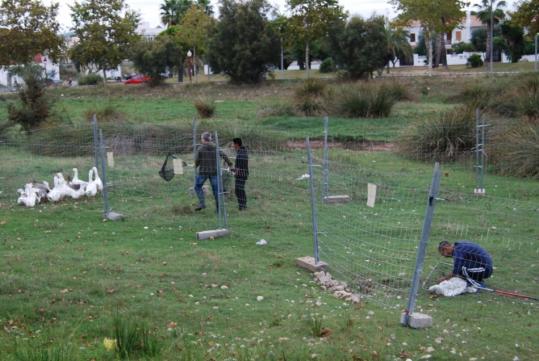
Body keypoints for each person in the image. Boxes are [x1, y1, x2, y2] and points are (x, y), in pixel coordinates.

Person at [194, 132, 232, 211]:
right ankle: (219, 209)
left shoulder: (200, 149)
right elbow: (224, 155)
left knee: (197, 187)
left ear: (204, 140)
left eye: (201, 139)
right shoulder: (216, 148)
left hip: (203, 172)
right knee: (216, 191)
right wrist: (230, 164)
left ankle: (202, 203)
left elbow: (197, 160)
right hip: (214, 172)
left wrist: (195, 166)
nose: (201, 140)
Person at [232, 138, 249, 210]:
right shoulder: (241, 151)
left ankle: (242, 206)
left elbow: (240, 165)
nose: (232, 145)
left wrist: (235, 172)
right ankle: (242, 205)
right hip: (242, 173)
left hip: (241, 174)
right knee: (239, 189)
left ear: (236, 144)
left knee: (239, 189)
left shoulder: (241, 153)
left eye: (233, 144)